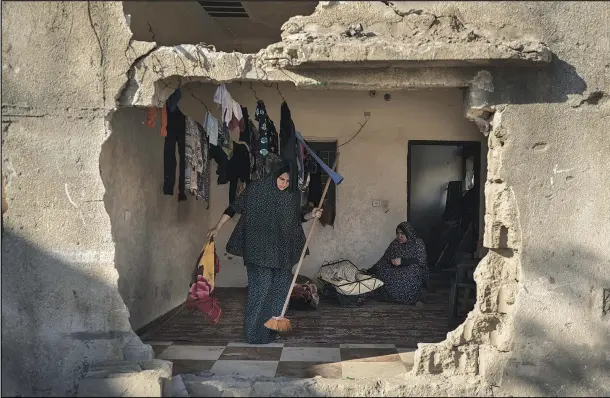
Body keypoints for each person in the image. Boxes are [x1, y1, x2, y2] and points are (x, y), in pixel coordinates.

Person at [207, 161, 322, 344]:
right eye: (281, 179)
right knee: (261, 290)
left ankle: (270, 331)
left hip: (282, 251)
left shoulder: (290, 196)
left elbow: (297, 217)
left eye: (287, 181)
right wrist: (217, 227)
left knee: (280, 291)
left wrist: (311, 215)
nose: (283, 183)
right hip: (259, 250)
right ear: (274, 176)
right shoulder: (256, 190)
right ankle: (253, 333)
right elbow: (234, 207)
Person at [365, 221, 428, 305]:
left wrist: (402, 261)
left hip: (412, 270)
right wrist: (369, 271)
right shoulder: (395, 244)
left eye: (402, 233)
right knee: (383, 270)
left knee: (412, 271)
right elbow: (384, 260)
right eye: (397, 233)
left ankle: (413, 297)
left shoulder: (417, 243)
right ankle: (386, 294)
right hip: (397, 270)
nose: (399, 236)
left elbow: (421, 261)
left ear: (408, 233)